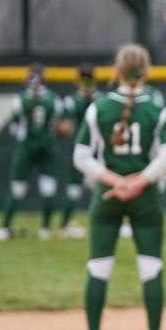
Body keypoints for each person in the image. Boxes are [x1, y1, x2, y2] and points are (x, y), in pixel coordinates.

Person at [72, 44, 166, 330]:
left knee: (98, 267)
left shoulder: (98, 107)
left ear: (116, 71)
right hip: (144, 198)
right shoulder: (158, 109)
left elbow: (80, 156)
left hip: (107, 196)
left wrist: (117, 182)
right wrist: (139, 182)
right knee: (151, 267)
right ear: (146, 72)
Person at [0, 64, 63, 241]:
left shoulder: (20, 100)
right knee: (48, 188)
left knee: (17, 188)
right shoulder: (55, 100)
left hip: (26, 146)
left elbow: (14, 127)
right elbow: (60, 125)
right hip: (47, 145)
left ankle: (4, 226)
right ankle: (45, 229)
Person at [57, 63, 97, 239]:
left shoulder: (75, 100)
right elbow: (64, 126)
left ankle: (65, 224)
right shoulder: (81, 100)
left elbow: (64, 127)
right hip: (90, 150)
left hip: (87, 150)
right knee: (83, 188)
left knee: (85, 188)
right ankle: (65, 224)